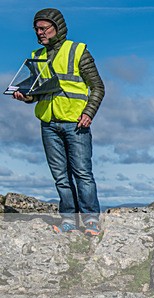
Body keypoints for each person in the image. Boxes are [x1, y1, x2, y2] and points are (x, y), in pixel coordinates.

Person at [13, 8, 105, 236]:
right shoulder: (37, 56)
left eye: (44, 28)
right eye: (36, 29)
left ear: (58, 27)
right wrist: (26, 97)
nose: (39, 32)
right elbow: (37, 92)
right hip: (48, 124)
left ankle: (91, 220)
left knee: (82, 173)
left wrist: (89, 113)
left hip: (76, 123)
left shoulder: (78, 51)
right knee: (61, 177)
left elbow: (98, 87)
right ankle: (69, 221)